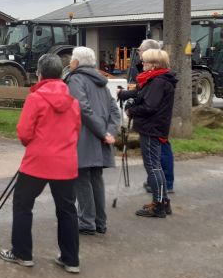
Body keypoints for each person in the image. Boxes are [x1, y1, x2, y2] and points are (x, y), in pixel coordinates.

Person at [0, 54, 81, 274]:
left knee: (23, 205)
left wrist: (35, 144)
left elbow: (24, 132)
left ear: (40, 73)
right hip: (65, 162)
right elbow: (76, 130)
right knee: (67, 210)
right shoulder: (73, 101)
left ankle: (22, 253)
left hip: (38, 161)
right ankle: (71, 259)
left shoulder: (35, 98)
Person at [64, 47, 120, 236]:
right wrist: (110, 132)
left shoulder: (76, 79)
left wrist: (103, 132)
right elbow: (114, 110)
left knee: (82, 179)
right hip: (101, 138)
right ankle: (100, 222)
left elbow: (82, 108)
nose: (70, 63)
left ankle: (86, 221)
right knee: (96, 179)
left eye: (71, 60)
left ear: (77, 62)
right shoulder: (101, 82)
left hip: (85, 136)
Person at [120, 39, 176, 194]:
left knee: (154, 164)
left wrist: (133, 110)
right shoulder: (152, 77)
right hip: (153, 125)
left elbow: (150, 105)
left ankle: (162, 196)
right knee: (154, 164)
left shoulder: (158, 80)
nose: (140, 60)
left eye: (142, 56)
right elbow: (142, 93)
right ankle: (160, 193)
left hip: (153, 126)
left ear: (153, 61)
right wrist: (127, 97)